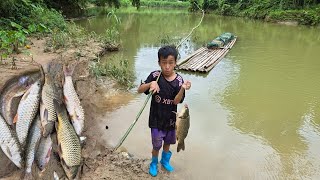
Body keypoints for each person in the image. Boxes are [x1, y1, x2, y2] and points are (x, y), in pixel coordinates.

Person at [137, 45, 191, 177]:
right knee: (156, 146)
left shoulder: (179, 80)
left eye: (170, 63)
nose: (167, 66)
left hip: (171, 122)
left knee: (167, 144)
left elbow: (176, 101)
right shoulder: (155, 76)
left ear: (175, 63)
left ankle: (165, 161)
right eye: (164, 63)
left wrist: (183, 88)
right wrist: (150, 84)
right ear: (159, 63)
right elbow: (139, 90)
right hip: (156, 120)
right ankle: (154, 163)